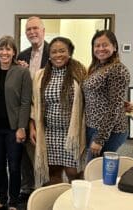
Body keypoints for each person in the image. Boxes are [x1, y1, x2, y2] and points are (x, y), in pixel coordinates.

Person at [0, 36, 32, 210]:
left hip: (14, 129)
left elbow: (26, 102)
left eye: (8, 49)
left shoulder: (23, 72)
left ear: (14, 52)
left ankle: (14, 202)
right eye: (1, 49)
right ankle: (2, 199)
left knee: (15, 167)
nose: (4, 52)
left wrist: (21, 127)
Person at [30, 37, 87, 186]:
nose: (57, 55)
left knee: (74, 173)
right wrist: (32, 126)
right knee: (53, 173)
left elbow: (93, 97)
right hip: (49, 133)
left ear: (70, 53)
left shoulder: (80, 72)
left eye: (62, 51)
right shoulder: (40, 76)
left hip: (72, 134)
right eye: (54, 52)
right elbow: (34, 104)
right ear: (49, 55)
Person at [83, 30, 130, 161]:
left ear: (114, 47)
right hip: (93, 125)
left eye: (105, 45)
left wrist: (100, 139)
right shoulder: (98, 67)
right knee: (94, 168)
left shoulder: (117, 70)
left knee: (94, 170)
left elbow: (114, 107)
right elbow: (104, 95)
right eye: (97, 45)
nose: (100, 49)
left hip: (108, 130)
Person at [16, 16, 49, 201]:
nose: (32, 32)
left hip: (48, 112)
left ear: (43, 30)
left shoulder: (54, 52)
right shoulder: (22, 55)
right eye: (28, 29)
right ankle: (27, 187)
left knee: (44, 153)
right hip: (26, 111)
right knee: (25, 152)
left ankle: (45, 189)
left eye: (35, 28)